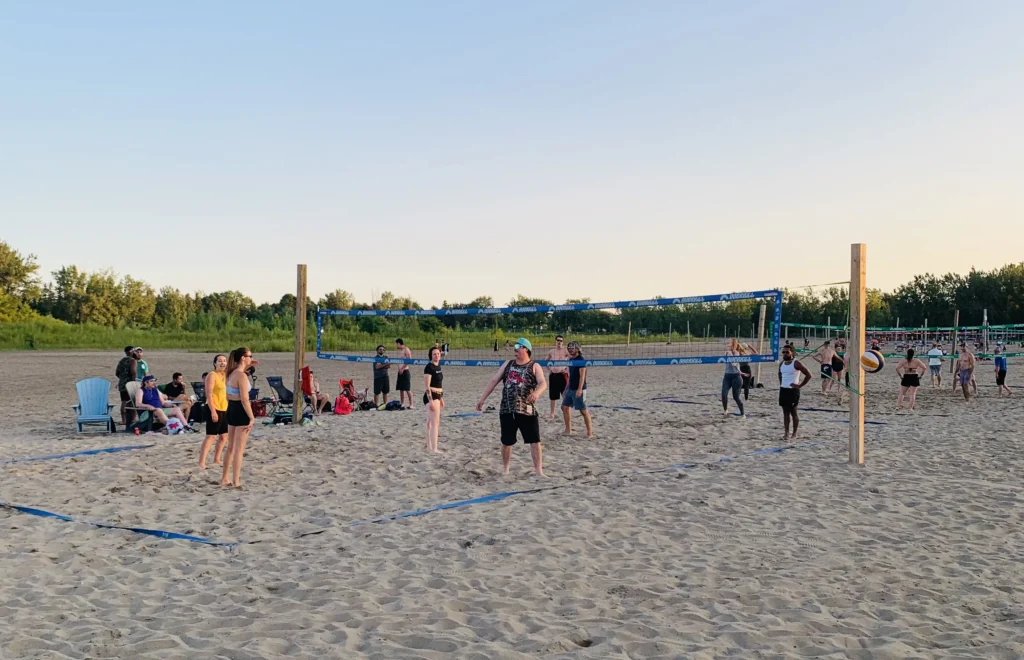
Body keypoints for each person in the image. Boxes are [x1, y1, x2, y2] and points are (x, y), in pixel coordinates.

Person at [476, 338, 548, 476]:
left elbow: (543, 383)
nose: (515, 350)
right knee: (506, 441)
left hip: (527, 409)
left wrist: (537, 393)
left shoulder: (534, 366)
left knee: (534, 440)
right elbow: (493, 380)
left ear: (525, 348)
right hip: (507, 408)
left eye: (517, 347)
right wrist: (482, 399)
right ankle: (506, 469)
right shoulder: (508, 364)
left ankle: (539, 471)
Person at [222, 347, 256, 488]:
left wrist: (250, 363)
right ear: (243, 358)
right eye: (249, 356)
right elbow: (244, 399)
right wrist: (252, 417)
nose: (251, 358)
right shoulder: (241, 376)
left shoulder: (230, 374)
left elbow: (228, 396)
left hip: (231, 409)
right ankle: (236, 481)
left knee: (230, 447)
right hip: (241, 410)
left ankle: (224, 478)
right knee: (238, 450)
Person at [199, 354, 229, 470]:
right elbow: (209, 394)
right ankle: (202, 462)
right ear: (215, 363)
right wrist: (213, 411)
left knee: (224, 436)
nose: (222, 363)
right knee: (211, 436)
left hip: (225, 407)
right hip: (213, 407)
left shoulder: (226, 375)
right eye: (220, 361)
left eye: (224, 361)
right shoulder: (212, 375)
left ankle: (217, 459)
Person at [778, 345, 812, 440]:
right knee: (785, 413)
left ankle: (794, 433)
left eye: (787, 352)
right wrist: (781, 383)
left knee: (793, 412)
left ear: (792, 352)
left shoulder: (796, 363)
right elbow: (780, 373)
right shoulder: (782, 364)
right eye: (783, 352)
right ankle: (786, 433)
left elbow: (808, 375)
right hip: (784, 390)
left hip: (793, 391)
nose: (784, 354)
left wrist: (800, 385)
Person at [561, 341, 593, 439]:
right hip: (570, 388)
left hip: (579, 389)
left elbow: (582, 376)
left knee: (583, 411)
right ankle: (568, 430)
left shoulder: (581, 360)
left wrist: (579, 389)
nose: (570, 349)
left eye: (572, 348)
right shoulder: (571, 360)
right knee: (564, 407)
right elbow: (570, 377)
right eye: (569, 348)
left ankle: (589, 433)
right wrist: (566, 388)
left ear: (578, 349)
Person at [423, 347, 444, 453]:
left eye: (438, 353)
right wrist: (431, 400)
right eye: (434, 354)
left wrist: (441, 398)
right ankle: (434, 449)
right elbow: (427, 387)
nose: (436, 355)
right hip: (431, 395)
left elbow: (439, 383)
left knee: (430, 422)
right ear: (430, 355)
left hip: (437, 396)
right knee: (434, 422)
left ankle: (429, 447)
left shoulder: (438, 366)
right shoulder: (429, 367)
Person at [545, 334, 570, 419]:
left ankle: (566, 411)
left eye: (561, 341)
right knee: (553, 395)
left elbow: (573, 360)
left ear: (563, 342)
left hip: (562, 375)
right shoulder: (551, 351)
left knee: (565, 394)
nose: (559, 342)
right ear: (555, 341)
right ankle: (552, 413)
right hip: (553, 375)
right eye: (558, 340)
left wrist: (567, 370)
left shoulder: (566, 350)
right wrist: (549, 370)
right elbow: (546, 361)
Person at [721, 338, 746, 418]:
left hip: (736, 377)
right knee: (724, 394)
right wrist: (726, 354)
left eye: (729, 342)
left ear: (733, 344)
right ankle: (725, 411)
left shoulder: (736, 353)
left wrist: (729, 354)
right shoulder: (727, 352)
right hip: (727, 376)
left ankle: (743, 414)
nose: (727, 343)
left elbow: (734, 364)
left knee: (736, 397)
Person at [115, 346, 139, 425]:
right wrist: (133, 382)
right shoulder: (133, 361)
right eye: (134, 351)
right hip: (129, 384)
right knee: (133, 401)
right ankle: (133, 419)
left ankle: (123, 420)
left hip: (122, 383)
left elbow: (117, 373)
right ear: (130, 352)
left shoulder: (122, 360)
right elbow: (133, 372)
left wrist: (123, 378)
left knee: (124, 401)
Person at [395, 338, 414, 409]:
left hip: (405, 371)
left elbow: (409, 360)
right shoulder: (401, 351)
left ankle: (411, 404)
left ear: (399, 343)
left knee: (407, 389)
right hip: (400, 371)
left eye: (396, 344)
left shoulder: (406, 349)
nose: (396, 346)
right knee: (401, 389)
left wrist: (402, 368)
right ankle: (402, 404)